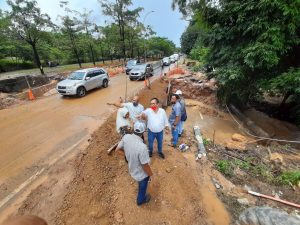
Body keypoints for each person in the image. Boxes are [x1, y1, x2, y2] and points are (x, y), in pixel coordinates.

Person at [116, 121, 153, 206]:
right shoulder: (142, 147)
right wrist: (150, 174)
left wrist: (127, 156)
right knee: (143, 186)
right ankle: (141, 200)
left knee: (139, 182)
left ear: (133, 129)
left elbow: (117, 150)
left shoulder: (126, 137)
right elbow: (145, 165)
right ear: (143, 132)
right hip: (141, 174)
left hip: (132, 169)